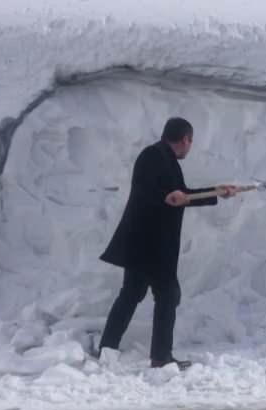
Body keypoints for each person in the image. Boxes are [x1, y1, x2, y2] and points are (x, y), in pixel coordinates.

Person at [97, 117, 237, 369]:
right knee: (166, 295)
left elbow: (181, 195)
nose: (189, 147)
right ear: (185, 139)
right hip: (151, 243)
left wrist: (217, 191)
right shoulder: (153, 156)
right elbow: (150, 192)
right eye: (190, 142)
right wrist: (168, 196)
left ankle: (108, 350)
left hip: (148, 243)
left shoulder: (165, 158)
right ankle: (160, 357)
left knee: (133, 294)